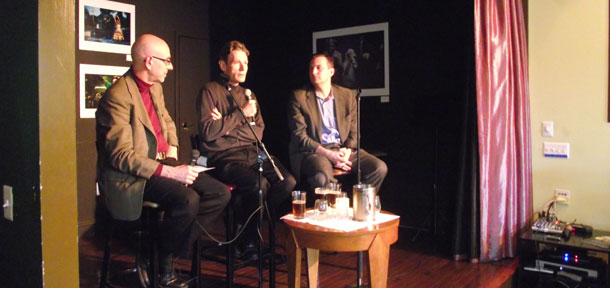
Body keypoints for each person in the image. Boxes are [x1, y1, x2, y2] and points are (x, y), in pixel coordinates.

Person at [96, 34, 230, 288]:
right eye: (167, 60)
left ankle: (156, 251)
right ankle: (165, 265)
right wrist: (169, 172)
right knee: (187, 199)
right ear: (148, 62)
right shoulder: (117, 97)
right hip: (134, 175)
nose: (171, 66)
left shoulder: (155, 88)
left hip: (162, 163)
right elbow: (120, 156)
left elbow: (166, 121)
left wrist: (172, 152)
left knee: (219, 193)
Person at [198, 40, 296, 259]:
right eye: (236, 63)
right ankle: (251, 242)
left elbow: (258, 132)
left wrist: (226, 126)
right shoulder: (210, 91)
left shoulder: (249, 94)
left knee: (287, 182)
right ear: (223, 66)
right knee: (257, 184)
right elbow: (208, 133)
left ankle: (246, 226)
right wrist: (241, 115)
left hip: (253, 152)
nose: (243, 68)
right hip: (224, 157)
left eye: (246, 63)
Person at [287, 53, 387, 194]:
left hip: (342, 149)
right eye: (311, 68)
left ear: (331, 72)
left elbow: (354, 130)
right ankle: (334, 212)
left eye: (318, 68)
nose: (313, 72)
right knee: (323, 178)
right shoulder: (299, 97)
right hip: (316, 151)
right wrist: (330, 155)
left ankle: (357, 207)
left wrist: (346, 150)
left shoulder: (346, 95)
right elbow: (300, 137)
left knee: (379, 168)